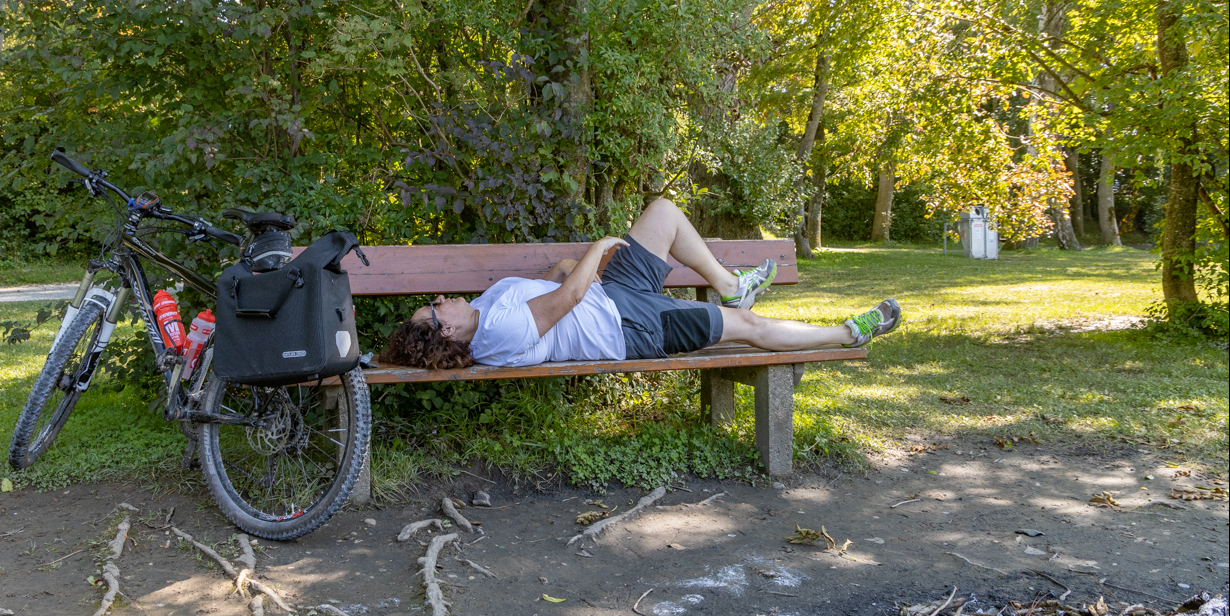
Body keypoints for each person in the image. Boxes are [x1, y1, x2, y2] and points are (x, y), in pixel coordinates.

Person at [382, 198, 901, 370]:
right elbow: (568, 299)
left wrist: (565, 269)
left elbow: (552, 288)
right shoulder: (496, 336)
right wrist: (597, 250)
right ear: (446, 333)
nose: (436, 300)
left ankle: (728, 283)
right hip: (627, 327)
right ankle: (846, 332)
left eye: (432, 303)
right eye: (432, 311)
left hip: (611, 296)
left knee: (663, 213)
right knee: (747, 327)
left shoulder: (486, 308)